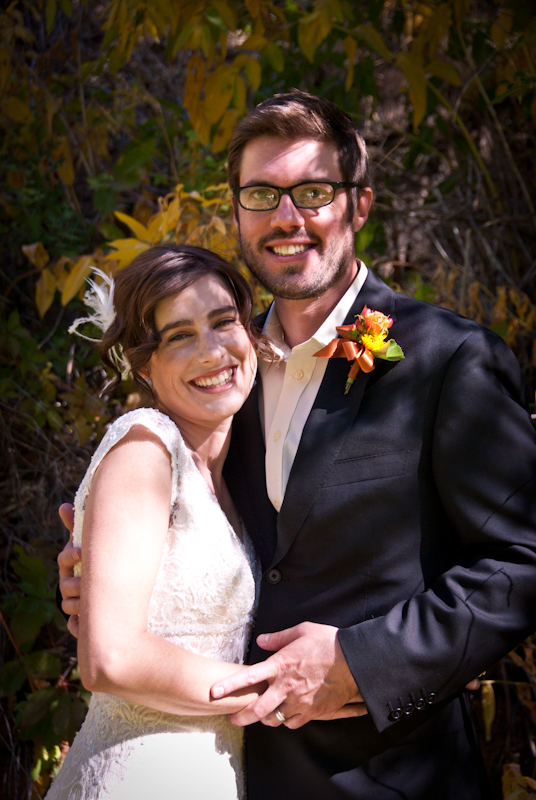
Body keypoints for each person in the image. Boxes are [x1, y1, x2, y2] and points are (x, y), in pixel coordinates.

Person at [58, 91, 536, 799]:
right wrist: (93, 580)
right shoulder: (225, 374)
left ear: (359, 204)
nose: (287, 217)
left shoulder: (449, 360)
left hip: (392, 778)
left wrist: (360, 663)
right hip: (225, 772)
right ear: (238, 212)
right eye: (261, 194)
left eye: (312, 192)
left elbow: (521, 562)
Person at [47, 244, 286, 800]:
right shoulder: (145, 450)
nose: (212, 351)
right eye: (179, 336)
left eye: (223, 322)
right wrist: (274, 692)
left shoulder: (235, 473)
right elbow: (110, 658)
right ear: (142, 365)